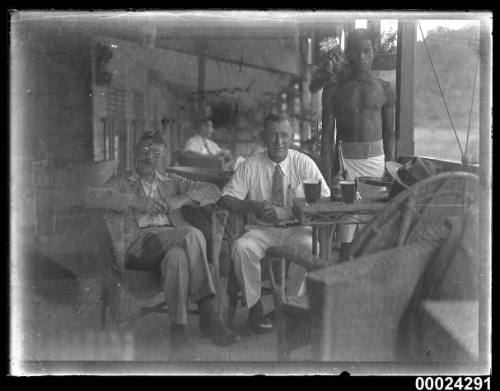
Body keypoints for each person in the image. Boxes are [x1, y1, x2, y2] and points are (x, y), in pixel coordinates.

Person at [86, 131, 238, 351]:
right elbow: (92, 196)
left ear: (162, 158)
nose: (149, 157)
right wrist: (136, 202)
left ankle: (178, 333)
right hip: (138, 245)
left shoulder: (172, 182)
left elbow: (213, 191)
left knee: (176, 258)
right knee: (192, 234)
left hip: (171, 242)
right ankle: (208, 313)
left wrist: (180, 199)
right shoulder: (122, 181)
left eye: (156, 153)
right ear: (135, 152)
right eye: (145, 151)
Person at [221, 113, 330, 334]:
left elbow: (325, 198)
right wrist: (256, 206)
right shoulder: (251, 165)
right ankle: (255, 308)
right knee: (242, 248)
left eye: (284, 136)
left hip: (297, 228)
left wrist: (289, 211)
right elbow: (227, 198)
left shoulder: (303, 163)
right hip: (262, 230)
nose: (279, 142)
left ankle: (290, 308)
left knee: (309, 248)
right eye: (273, 136)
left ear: (291, 138)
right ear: (264, 137)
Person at [320, 28, 396, 249]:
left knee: (374, 237)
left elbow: (390, 134)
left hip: (377, 165)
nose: (361, 57)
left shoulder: (385, 89)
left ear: (373, 53)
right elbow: (326, 138)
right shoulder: (333, 90)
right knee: (347, 238)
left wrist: (390, 171)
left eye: (366, 51)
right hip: (346, 165)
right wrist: (325, 179)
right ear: (347, 53)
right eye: (356, 51)